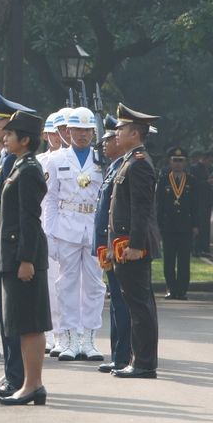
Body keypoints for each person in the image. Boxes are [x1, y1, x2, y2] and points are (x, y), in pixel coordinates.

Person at [0, 93, 36, 400]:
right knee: (5, 317)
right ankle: (12, 372)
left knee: (13, 317)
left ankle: (17, 377)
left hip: (10, 248)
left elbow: (25, 215)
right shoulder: (5, 159)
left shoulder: (19, 162)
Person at [0, 111, 51, 406]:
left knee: (30, 323)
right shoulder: (20, 166)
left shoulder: (28, 170)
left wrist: (26, 259)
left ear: (25, 140)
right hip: (14, 255)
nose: (5, 136)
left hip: (23, 257)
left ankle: (32, 384)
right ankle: (32, 384)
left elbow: (30, 218)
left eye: (11, 133)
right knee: (24, 322)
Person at [44, 106, 105, 362]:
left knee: (94, 285)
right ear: (67, 131)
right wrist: (50, 236)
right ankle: (68, 338)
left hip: (93, 225)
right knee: (66, 284)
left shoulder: (102, 158)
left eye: (87, 130)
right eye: (77, 129)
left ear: (93, 132)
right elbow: (50, 200)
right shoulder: (56, 160)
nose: (82, 135)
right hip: (66, 227)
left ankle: (88, 339)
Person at [108, 103, 160, 379]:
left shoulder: (138, 164)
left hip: (133, 248)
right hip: (125, 245)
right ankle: (139, 360)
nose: (117, 132)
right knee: (136, 305)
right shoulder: (130, 160)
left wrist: (136, 245)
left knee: (140, 307)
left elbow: (141, 210)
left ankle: (144, 363)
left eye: (122, 128)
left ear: (136, 133)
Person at [93, 115, 131, 373]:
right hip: (109, 244)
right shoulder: (113, 167)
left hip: (120, 244)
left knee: (122, 302)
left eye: (109, 139)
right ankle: (118, 354)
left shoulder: (125, 167)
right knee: (116, 302)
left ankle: (123, 356)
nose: (104, 144)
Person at [157, 146, 199, 300]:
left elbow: (196, 205)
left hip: (185, 227)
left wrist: (196, 225)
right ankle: (170, 288)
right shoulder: (163, 180)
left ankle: (182, 290)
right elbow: (159, 205)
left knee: (183, 260)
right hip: (168, 226)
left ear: (185, 162)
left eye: (181, 161)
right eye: (175, 160)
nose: (178, 164)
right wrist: (158, 225)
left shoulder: (192, 181)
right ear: (170, 161)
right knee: (168, 260)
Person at [35, 113, 62, 354]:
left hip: (71, 226)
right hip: (45, 225)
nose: (58, 137)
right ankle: (51, 332)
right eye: (53, 133)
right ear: (45, 135)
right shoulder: (40, 161)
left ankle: (68, 333)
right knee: (50, 283)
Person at [190, 151, 213, 256]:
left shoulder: (210, 169)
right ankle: (197, 249)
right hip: (198, 201)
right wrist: (207, 182)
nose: (209, 163)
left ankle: (205, 248)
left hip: (207, 201)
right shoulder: (194, 168)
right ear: (203, 158)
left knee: (206, 226)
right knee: (198, 225)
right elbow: (194, 184)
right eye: (208, 160)